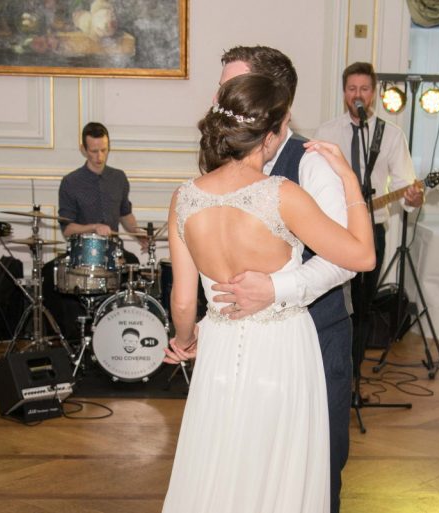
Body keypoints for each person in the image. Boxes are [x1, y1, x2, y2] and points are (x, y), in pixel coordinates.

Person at [161, 73, 375, 513]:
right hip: (282, 349)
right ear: (272, 133)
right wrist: (349, 180)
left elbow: (183, 301)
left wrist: (185, 340)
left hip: (219, 344)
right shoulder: (282, 194)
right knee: (279, 463)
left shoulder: (182, 197)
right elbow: (362, 257)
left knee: (222, 458)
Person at [206, 46, 356, 513]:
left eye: (234, 88)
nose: (221, 101)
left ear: (278, 104)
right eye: (223, 89)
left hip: (316, 334)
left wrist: (276, 289)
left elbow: (346, 258)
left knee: (316, 466)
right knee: (253, 467)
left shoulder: (311, 164)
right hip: (250, 349)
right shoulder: (223, 163)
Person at [314, 61, 423, 340]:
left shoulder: (392, 135)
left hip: (372, 230)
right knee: (330, 301)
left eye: (364, 88)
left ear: (373, 93)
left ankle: (355, 374)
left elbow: (404, 186)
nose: (358, 94)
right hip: (333, 228)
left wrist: (413, 197)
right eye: (352, 88)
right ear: (344, 93)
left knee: (362, 306)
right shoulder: (326, 133)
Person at [44, 122, 145, 342]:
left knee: (134, 265)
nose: (100, 156)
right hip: (83, 254)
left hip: (113, 252)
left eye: (104, 150)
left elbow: (125, 214)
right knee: (48, 274)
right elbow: (68, 229)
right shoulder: (70, 182)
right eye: (94, 151)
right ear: (83, 149)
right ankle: (71, 339)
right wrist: (93, 227)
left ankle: (126, 335)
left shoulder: (119, 178)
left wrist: (139, 234)